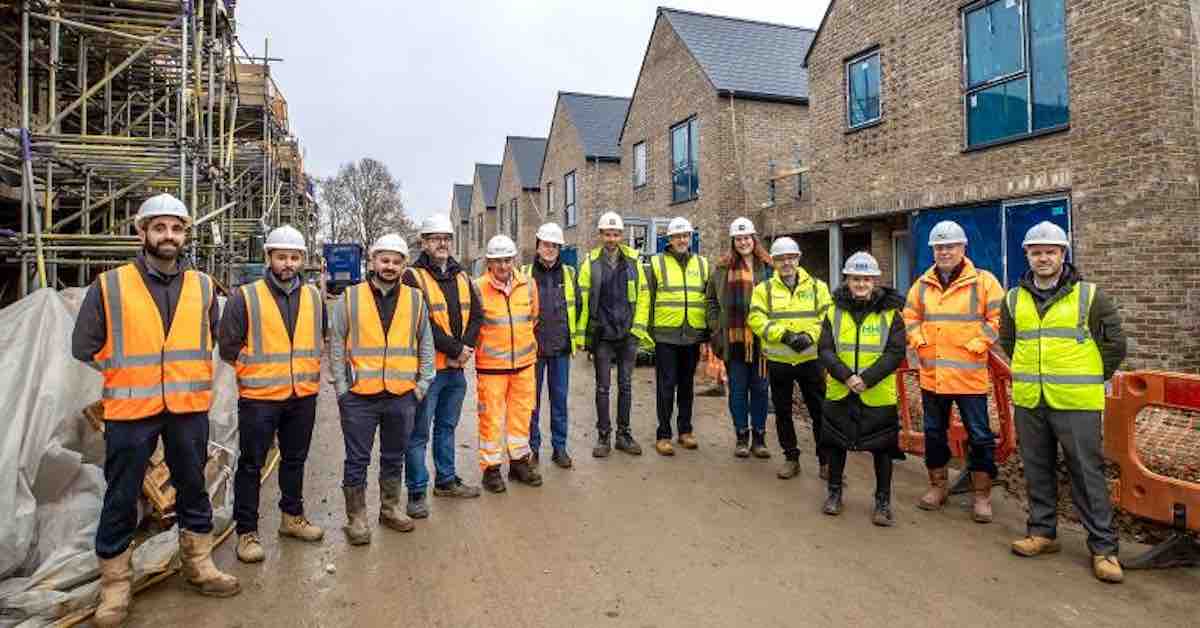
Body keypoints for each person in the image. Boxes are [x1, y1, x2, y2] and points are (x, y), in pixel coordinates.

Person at [71, 193, 238, 627]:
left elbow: (213, 339)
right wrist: (126, 373)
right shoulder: (110, 285)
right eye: (160, 227)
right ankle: (115, 586)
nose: (169, 236)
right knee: (121, 495)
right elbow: (84, 347)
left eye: (177, 228)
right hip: (131, 409)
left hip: (187, 407)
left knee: (193, 487)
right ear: (140, 231)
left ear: (185, 235)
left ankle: (198, 564)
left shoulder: (203, 287)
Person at [1000, 221, 1127, 583]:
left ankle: (1104, 549)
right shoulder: (1013, 299)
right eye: (1036, 252)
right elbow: (1009, 343)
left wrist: (1088, 375)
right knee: (1036, 468)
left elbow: (1115, 344)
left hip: (1076, 402)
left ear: (1062, 254)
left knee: (1087, 474)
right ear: (1027, 254)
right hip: (1030, 399)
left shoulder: (1090, 296)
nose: (1043, 258)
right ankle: (1042, 532)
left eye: (1050, 252)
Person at [218, 225, 324, 564]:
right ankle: (246, 532)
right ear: (269, 258)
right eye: (282, 257)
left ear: (303, 260)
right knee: (251, 465)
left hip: (302, 395)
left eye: (294, 257)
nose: (288, 264)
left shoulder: (314, 297)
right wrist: (256, 370)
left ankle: (292, 517)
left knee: (295, 460)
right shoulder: (245, 297)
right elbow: (228, 347)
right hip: (260, 398)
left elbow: (319, 336)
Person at [330, 234, 435, 545]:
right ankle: (357, 518)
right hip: (359, 398)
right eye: (384, 260)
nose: (389, 266)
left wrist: (422, 384)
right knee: (357, 459)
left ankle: (389, 508)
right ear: (373, 261)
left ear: (404, 265)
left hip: (401, 396)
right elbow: (336, 344)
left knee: (394, 456)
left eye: (396, 261)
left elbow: (425, 343)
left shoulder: (415, 299)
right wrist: (342, 389)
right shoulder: (350, 297)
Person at [903, 220, 1004, 523]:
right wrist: (918, 340)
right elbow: (909, 316)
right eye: (939, 247)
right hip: (933, 375)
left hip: (969, 375)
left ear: (963, 248)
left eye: (950, 246)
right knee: (934, 434)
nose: (944, 252)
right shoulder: (922, 284)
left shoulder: (984, 282)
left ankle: (982, 495)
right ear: (933, 251)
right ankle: (938, 486)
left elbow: (999, 317)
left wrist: (980, 341)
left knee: (980, 436)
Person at [401, 214, 483, 518]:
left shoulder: (462, 276)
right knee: (419, 432)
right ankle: (417, 491)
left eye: (446, 238)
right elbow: (420, 324)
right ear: (424, 242)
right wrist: (455, 348)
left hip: (456, 369)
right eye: (435, 238)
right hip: (429, 372)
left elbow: (477, 315)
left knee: (447, 427)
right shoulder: (413, 277)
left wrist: (466, 350)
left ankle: (446, 481)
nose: (442, 243)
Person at [817, 252, 906, 526]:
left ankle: (882, 502)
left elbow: (895, 352)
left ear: (874, 280)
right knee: (835, 444)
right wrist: (846, 377)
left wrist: (866, 378)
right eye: (856, 278)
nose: (861, 284)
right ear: (847, 279)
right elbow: (825, 349)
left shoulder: (891, 313)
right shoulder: (833, 311)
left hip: (877, 392)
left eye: (866, 279)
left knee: (883, 449)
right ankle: (834, 493)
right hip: (841, 389)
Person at [748, 237, 833, 479]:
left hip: (810, 359)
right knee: (783, 412)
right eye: (781, 259)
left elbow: (827, 317)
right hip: (780, 361)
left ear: (798, 258)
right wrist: (784, 336)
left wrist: (810, 335)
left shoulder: (818, 287)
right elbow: (756, 319)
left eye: (790, 257)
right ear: (773, 261)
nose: (786, 263)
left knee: (820, 411)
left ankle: (825, 461)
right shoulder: (763, 290)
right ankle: (791, 457)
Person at [576, 211, 652, 458]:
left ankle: (624, 434)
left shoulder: (633, 261)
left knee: (626, 386)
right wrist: (583, 336)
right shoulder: (591, 263)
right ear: (600, 235)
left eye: (616, 234)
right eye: (607, 234)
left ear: (621, 236)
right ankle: (603, 436)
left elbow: (643, 297)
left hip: (628, 334)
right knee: (603, 387)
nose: (612, 238)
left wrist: (638, 328)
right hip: (603, 335)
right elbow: (583, 300)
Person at [475, 235, 543, 492]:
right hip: (491, 368)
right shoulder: (478, 287)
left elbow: (533, 317)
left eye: (507, 260)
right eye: (497, 261)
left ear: (513, 259)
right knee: (490, 419)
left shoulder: (528, 285)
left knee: (521, 417)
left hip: (524, 365)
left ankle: (518, 463)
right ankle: (491, 470)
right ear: (489, 262)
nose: (503, 266)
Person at [642, 217, 711, 456]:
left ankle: (685, 431)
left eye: (686, 236)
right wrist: (648, 332)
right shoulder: (656, 264)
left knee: (687, 385)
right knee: (665, 386)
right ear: (669, 239)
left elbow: (707, 299)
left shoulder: (702, 264)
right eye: (678, 236)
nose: (682, 240)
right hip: (665, 336)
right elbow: (647, 300)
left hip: (691, 335)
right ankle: (663, 434)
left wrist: (706, 335)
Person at [706, 217, 772, 458]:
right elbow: (711, 301)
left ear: (754, 239)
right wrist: (716, 328)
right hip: (733, 340)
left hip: (761, 340)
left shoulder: (767, 267)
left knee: (761, 389)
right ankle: (742, 436)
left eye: (747, 238)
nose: (743, 242)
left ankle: (760, 438)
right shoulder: (722, 268)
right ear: (733, 241)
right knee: (737, 389)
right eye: (739, 238)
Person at [522, 222, 580, 469]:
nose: (550, 249)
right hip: (532, 350)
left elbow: (576, 306)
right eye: (546, 244)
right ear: (537, 246)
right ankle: (532, 449)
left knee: (559, 401)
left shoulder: (569, 274)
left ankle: (559, 448)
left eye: (555, 246)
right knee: (530, 404)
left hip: (560, 349)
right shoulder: (524, 274)